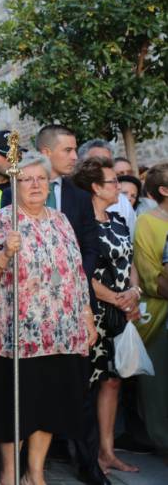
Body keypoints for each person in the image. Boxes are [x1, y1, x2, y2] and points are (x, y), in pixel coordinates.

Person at [0, 153, 96, 485]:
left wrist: (86, 316)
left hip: (59, 333)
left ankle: (35, 473)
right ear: (14, 185)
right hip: (17, 335)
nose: (35, 185)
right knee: (16, 408)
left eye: (41, 179)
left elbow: (76, 272)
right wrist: (6, 252)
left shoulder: (60, 220)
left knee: (49, 407)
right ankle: (9, 474)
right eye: (26, 179)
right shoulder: (2, 221)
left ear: (49, 184)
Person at [71, 157, 141, 475]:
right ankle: (85, 455)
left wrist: (134, 293)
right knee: (90, 382)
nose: (119, 187)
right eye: (113, 182)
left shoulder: (119, 220)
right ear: (96, 188)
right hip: (94, 311)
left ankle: (107, 452)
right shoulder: (82, 224)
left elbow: (131, 261)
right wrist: (115, 299)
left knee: (113, 382)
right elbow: (82, 271)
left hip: (121, 312)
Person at [133, 162, 168, 456]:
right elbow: (148, 276)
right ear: (164, 191)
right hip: (158, 315)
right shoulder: (146, 222)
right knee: (158, 388)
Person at [79, 139, 137, 238]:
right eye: (97, 163)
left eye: (107, 162)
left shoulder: (122, 201)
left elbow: (132, 238)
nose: (104, 166)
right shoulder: (75, 201)